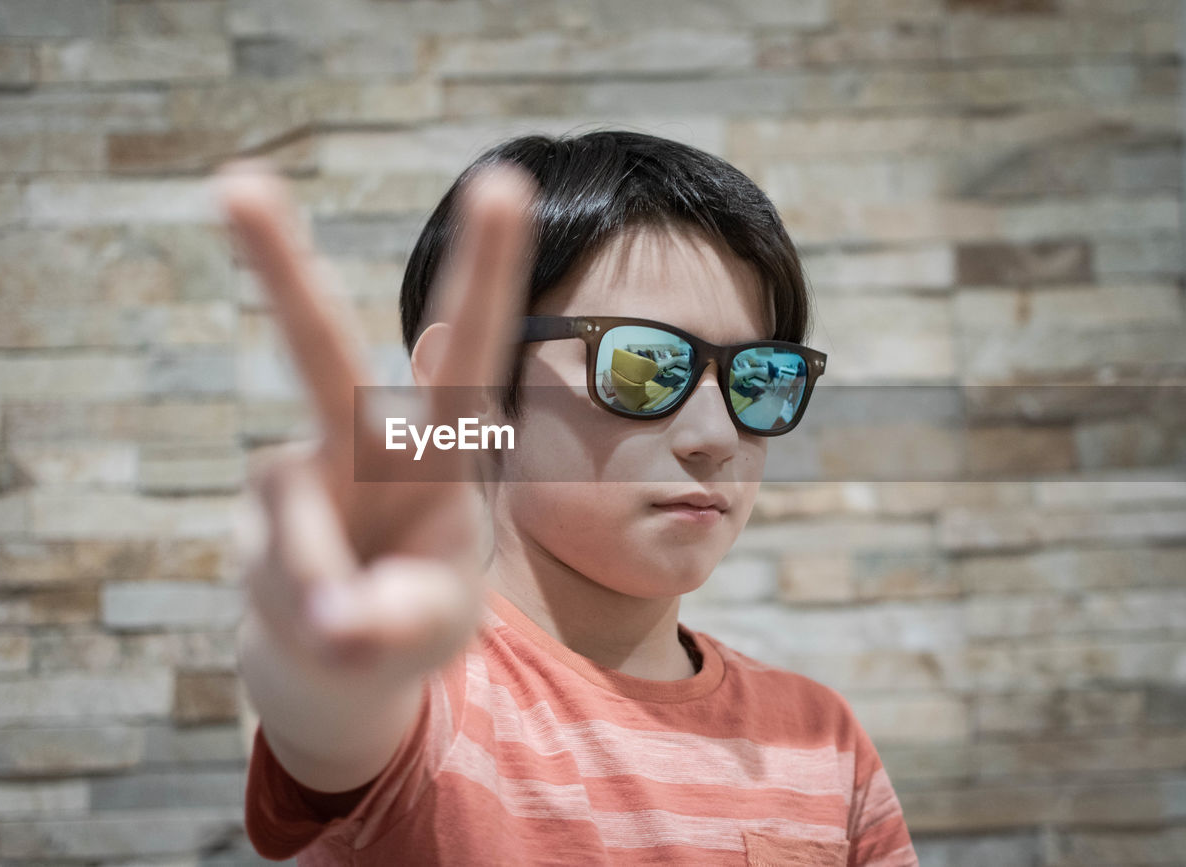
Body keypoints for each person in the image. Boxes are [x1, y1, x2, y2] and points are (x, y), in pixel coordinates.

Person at [221, 130, 919, 866]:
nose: (715, 434)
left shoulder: (819, 738)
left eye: (759, 375)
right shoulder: (429, 690)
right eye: (644, 364)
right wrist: (320, 641)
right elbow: (331, 710)